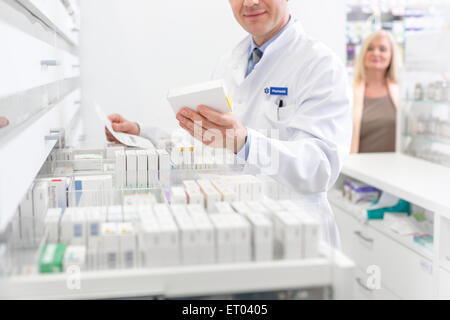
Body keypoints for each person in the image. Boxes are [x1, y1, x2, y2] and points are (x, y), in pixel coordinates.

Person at [106, 0, 352, 246]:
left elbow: (320, 167)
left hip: (296, 236)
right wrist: (142, 134)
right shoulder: (229, 62)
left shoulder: (320, 65)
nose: (250, 3)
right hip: (233, 230)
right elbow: (204, 144)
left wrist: (245, 142)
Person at [351, 30, 401, 154]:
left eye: (382, 49)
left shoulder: (400, 92)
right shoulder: (349, 92)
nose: (376, 53)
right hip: (358, 170)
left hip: (396, 168)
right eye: (370, 48)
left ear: (391, 56)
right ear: (363, 54)